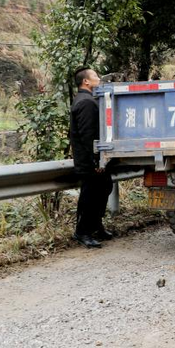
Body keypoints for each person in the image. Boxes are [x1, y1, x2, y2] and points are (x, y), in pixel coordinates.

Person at [69, 67, 113, 248]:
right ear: (86, 82)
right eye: (95, 76)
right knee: (90, 196)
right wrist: (96, 160)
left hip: (93, 159)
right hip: (89, 161)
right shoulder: (86, 102)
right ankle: (82, 232)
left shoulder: (88, 99)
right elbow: (88, 135)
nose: (98, 78)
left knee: (104, 189)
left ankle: (96, 226)